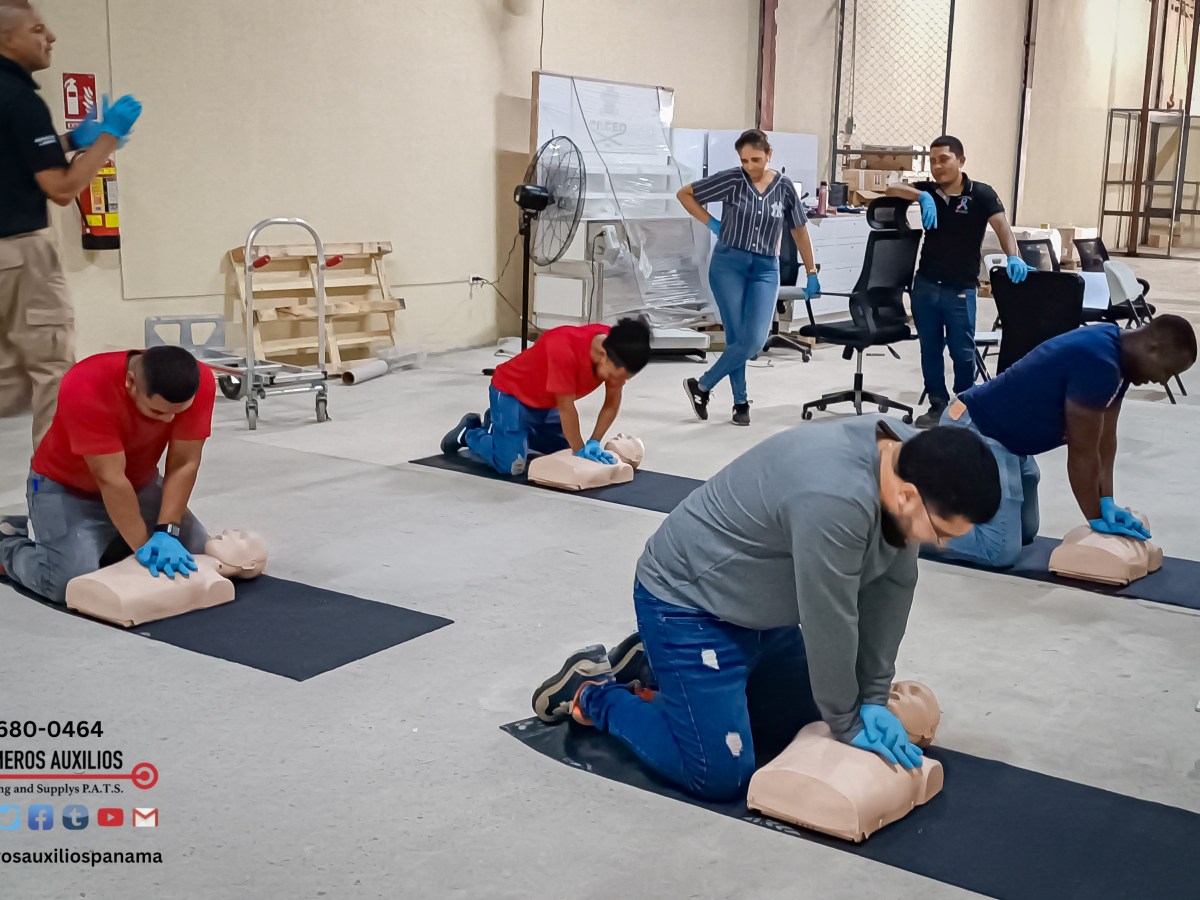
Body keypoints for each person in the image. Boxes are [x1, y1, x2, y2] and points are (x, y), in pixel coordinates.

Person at [531, 416, 1002, 801]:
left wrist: (873, 697)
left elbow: (894, 585)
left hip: (758, 612)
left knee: (799, 722)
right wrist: (848, 719)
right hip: (688, 605)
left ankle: (656, 665)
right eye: (942, 533)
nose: (941, 544)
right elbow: (830, 616)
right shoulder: (835, 499)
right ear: (907, 496)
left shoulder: (911, 457)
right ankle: (594, 693)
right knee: (720, 772)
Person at [933, 315, 1197, 568]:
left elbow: (1106, 438)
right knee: (999, 551)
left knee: (1025, 532)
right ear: (1152, 347)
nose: (1162, 381)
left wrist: (1107, 500)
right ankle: (916, 527)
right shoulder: (1099, 361)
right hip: (976, 429)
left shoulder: (1120, 358)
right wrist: (1095, 516)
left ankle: (957, 508)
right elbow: (1083, 452)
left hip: (1006, 439)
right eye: (1167, 371)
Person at [0, 0, 143, 449]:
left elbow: (15, 160)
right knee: (50, 369)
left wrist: (71, 140)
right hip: (18, 253)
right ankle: (51, 485)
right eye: (37, 29)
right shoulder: (19, 98)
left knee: (9, 373)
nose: (51, 38)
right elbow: (61, 189)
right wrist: (107, 139)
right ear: (6, 38)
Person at [0, 346, 216, 604]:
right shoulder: (86, 384)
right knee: (66, 583)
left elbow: (184, 463)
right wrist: (142, 546)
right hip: (63, 488)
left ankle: (107, 542)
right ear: (130, 382)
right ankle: (6, 544)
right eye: (158, 412)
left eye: (178, 413)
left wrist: (167, 531)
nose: (169, 420)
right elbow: (111, 479)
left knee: (196, 547)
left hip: (138, 485)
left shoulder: (199, 381)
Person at [678, 129, 822, 427]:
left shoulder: (784, 188)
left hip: (765, 269)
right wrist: (712, 223)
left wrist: (811, 272)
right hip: (728, 265)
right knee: (736, 337)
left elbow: (799, 230)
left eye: (756, 159)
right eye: (744, 161)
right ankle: (740, 402)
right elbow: (685, 195)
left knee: (754, 340)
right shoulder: (732, 180)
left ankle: (702, 385)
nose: (750, 166)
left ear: (769, 154)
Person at [886, 136, 1031, 428]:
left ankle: (964, 407)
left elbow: (1002, 226)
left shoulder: (982, 194)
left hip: (960, 288)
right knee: (930, 349)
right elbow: (892, 187)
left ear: (961, 161)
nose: (937, 166)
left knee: (962, 352)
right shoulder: (930, 190)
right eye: (933, 161)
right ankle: (937, 405)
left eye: (944, 159)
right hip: (926, 285)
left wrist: (1013, 256)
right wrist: (921, 196)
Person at [441, 318, 652, 477]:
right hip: (510, 394)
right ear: (604, 355)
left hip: (544, 403)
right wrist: (580, 450)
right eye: (616, 377)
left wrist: (594, 441)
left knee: (562, 453)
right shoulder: (564, 349)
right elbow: (566, 407)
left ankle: (499, 426)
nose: (617, 383)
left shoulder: (618, 349)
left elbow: (611, 404)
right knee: (511, 466)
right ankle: (469, 433)